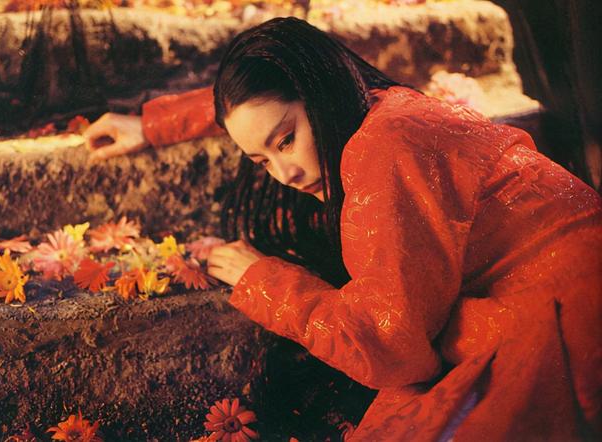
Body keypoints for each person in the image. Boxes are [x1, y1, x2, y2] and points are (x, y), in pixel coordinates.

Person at [84, 17, 601, 441]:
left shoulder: (383, 148)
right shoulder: (377, 106)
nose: (284, 174)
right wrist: (155, 123)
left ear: (321, 93)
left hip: (567, 319)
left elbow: (390, 345)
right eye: (260, 161)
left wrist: (265, 282)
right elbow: (266, 99)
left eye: (286, 143)